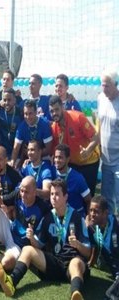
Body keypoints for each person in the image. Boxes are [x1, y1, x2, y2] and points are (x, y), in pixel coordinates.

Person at [0, 179, 91, 300]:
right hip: (55, 264)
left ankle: (76, 293)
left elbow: (88, 252)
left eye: (57, 194)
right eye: (51, 194)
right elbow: (39, 245)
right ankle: (11, 282)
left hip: (73, 264)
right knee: (28, 249)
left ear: (66, 197)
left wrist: (78, 245)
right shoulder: (48, 217)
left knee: (75, 262)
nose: (53, 197)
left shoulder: (77, 217)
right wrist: (31, 238)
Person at [50, 95, 100, 196]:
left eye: (56, 109)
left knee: (88, 196)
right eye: (51, 111)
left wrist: (88, 150)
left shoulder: (78, 117)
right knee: (74, 196)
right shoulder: (54, 127)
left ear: (63, 107)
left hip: (89, 163)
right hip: (73, 165)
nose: (54, 113)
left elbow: (96, 137)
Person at [97, 69, 119, 215]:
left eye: (107, 86)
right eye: (102, 85)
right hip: (105, 159)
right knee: (106, 199)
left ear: (116, 84)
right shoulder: (101, 98)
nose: (104, 89)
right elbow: (99, 123)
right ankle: (111, 230)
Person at [10, 99, 53, 169]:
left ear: (36, 112)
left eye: (30, 113)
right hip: (29, 158)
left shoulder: (44, 124)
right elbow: (16, 149)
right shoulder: (22, 126)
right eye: (25, 114)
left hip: (44, 158)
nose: (28, 117)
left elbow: (48, 149)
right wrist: (12, 162)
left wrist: (33, 156)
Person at [53, 144, 91, 216]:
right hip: (57, 216)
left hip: (75, 217)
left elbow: (89, 200)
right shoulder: (51, 173)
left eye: (60, 158)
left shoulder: (77, 178)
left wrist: (88, 218)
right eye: (56, 157)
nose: (57, 160)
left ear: (68, 159)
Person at [86, 196, 119, 280]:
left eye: (96, 211)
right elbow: (95, 246)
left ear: (106, 213)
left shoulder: (115, 224)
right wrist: (90, 263)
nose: (92, 214)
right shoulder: (91, 228)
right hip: (113, 268)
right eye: (91, 210)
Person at [0, 88, 23, 158]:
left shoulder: (20, 113)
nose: (7, 103)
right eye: (4, 100)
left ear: (15, 100)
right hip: (1, 153)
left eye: (9, 100)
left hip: (16, 153)